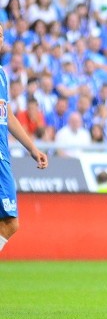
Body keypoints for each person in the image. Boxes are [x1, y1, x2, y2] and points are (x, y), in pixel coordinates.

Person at [0, 23, 49, 253]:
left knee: (9, 224)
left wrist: (32, 149)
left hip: (3, 155)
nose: (0, 38)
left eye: (1, 35)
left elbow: (7, 115)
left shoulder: (2, 75)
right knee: (10, 223)